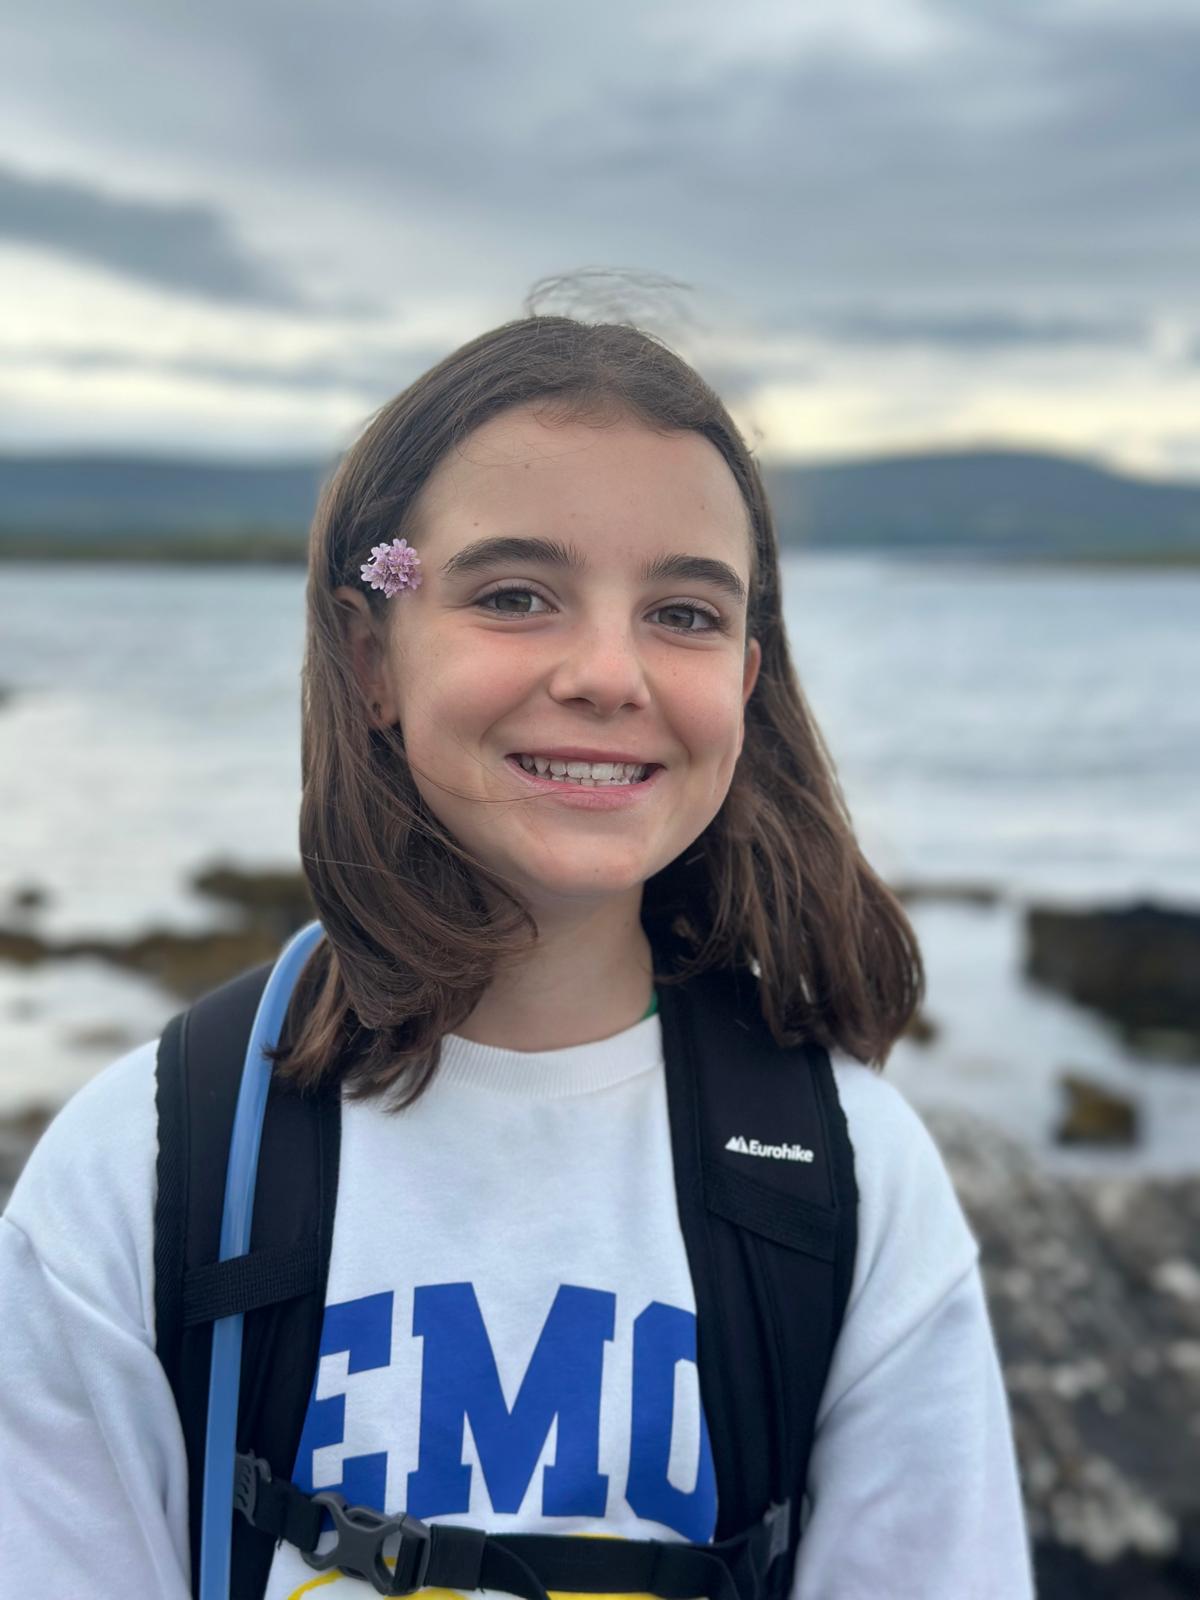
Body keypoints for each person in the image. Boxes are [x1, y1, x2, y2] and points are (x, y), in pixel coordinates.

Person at [0, 314, 1035, 1598]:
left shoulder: (850, 1179)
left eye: (683, 612)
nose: (609, 672)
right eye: (513, 596)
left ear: (747, 674)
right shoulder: (150, 1167)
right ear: (372, 653)